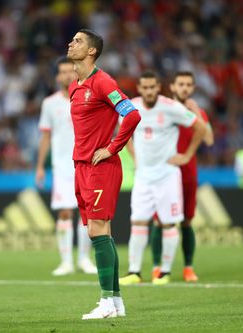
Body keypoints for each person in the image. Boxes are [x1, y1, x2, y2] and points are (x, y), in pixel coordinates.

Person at [67, 29, 141, 319]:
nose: (71, 44)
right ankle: (117, 303)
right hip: (81, 166)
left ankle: (106, 302)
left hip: (100, 167)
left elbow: (132, 114)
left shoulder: (103, 82)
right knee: (100, 232)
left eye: (78, 41)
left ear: (92, 51)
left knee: (98, 231)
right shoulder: (75, 86)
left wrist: (112, 148)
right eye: (72, 40)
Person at [118, 71, 206, 286]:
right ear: (139, 89)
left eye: (152, 87)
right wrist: (134, 157)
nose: (149, 91)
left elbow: (200, 127)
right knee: (138, 222)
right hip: (143, 176)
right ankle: (134, 272)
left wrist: (186, 156)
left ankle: (164, 272)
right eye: (145, 88)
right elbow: (125, 132)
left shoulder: (170, 107)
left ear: (159, 88)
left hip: (167, 176)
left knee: (168, 223)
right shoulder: (132, 106)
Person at [35, 56, 97, 276]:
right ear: (57, 76)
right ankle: (66, 262)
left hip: (86, 164)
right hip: (62, 166)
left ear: (76, 71)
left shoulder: (88, 96)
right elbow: (45, 137)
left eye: (69, 71)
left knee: (86, 213)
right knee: (64, 213)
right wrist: (40, 166)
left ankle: (83, 260)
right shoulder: (49, 103)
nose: (66, 75)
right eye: (61, 72)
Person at [170, 71, 214, 282]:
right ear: (172, 87)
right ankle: (159, 268)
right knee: (162, 221)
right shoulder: (164, 109)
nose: (185, 88)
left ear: (193, 88)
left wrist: (196, 112)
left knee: (187, 221)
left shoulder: (198, 112)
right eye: (181, 84)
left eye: (188, 84)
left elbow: (209, 140)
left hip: (188, 173)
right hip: (166, 173)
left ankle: (188, 267)